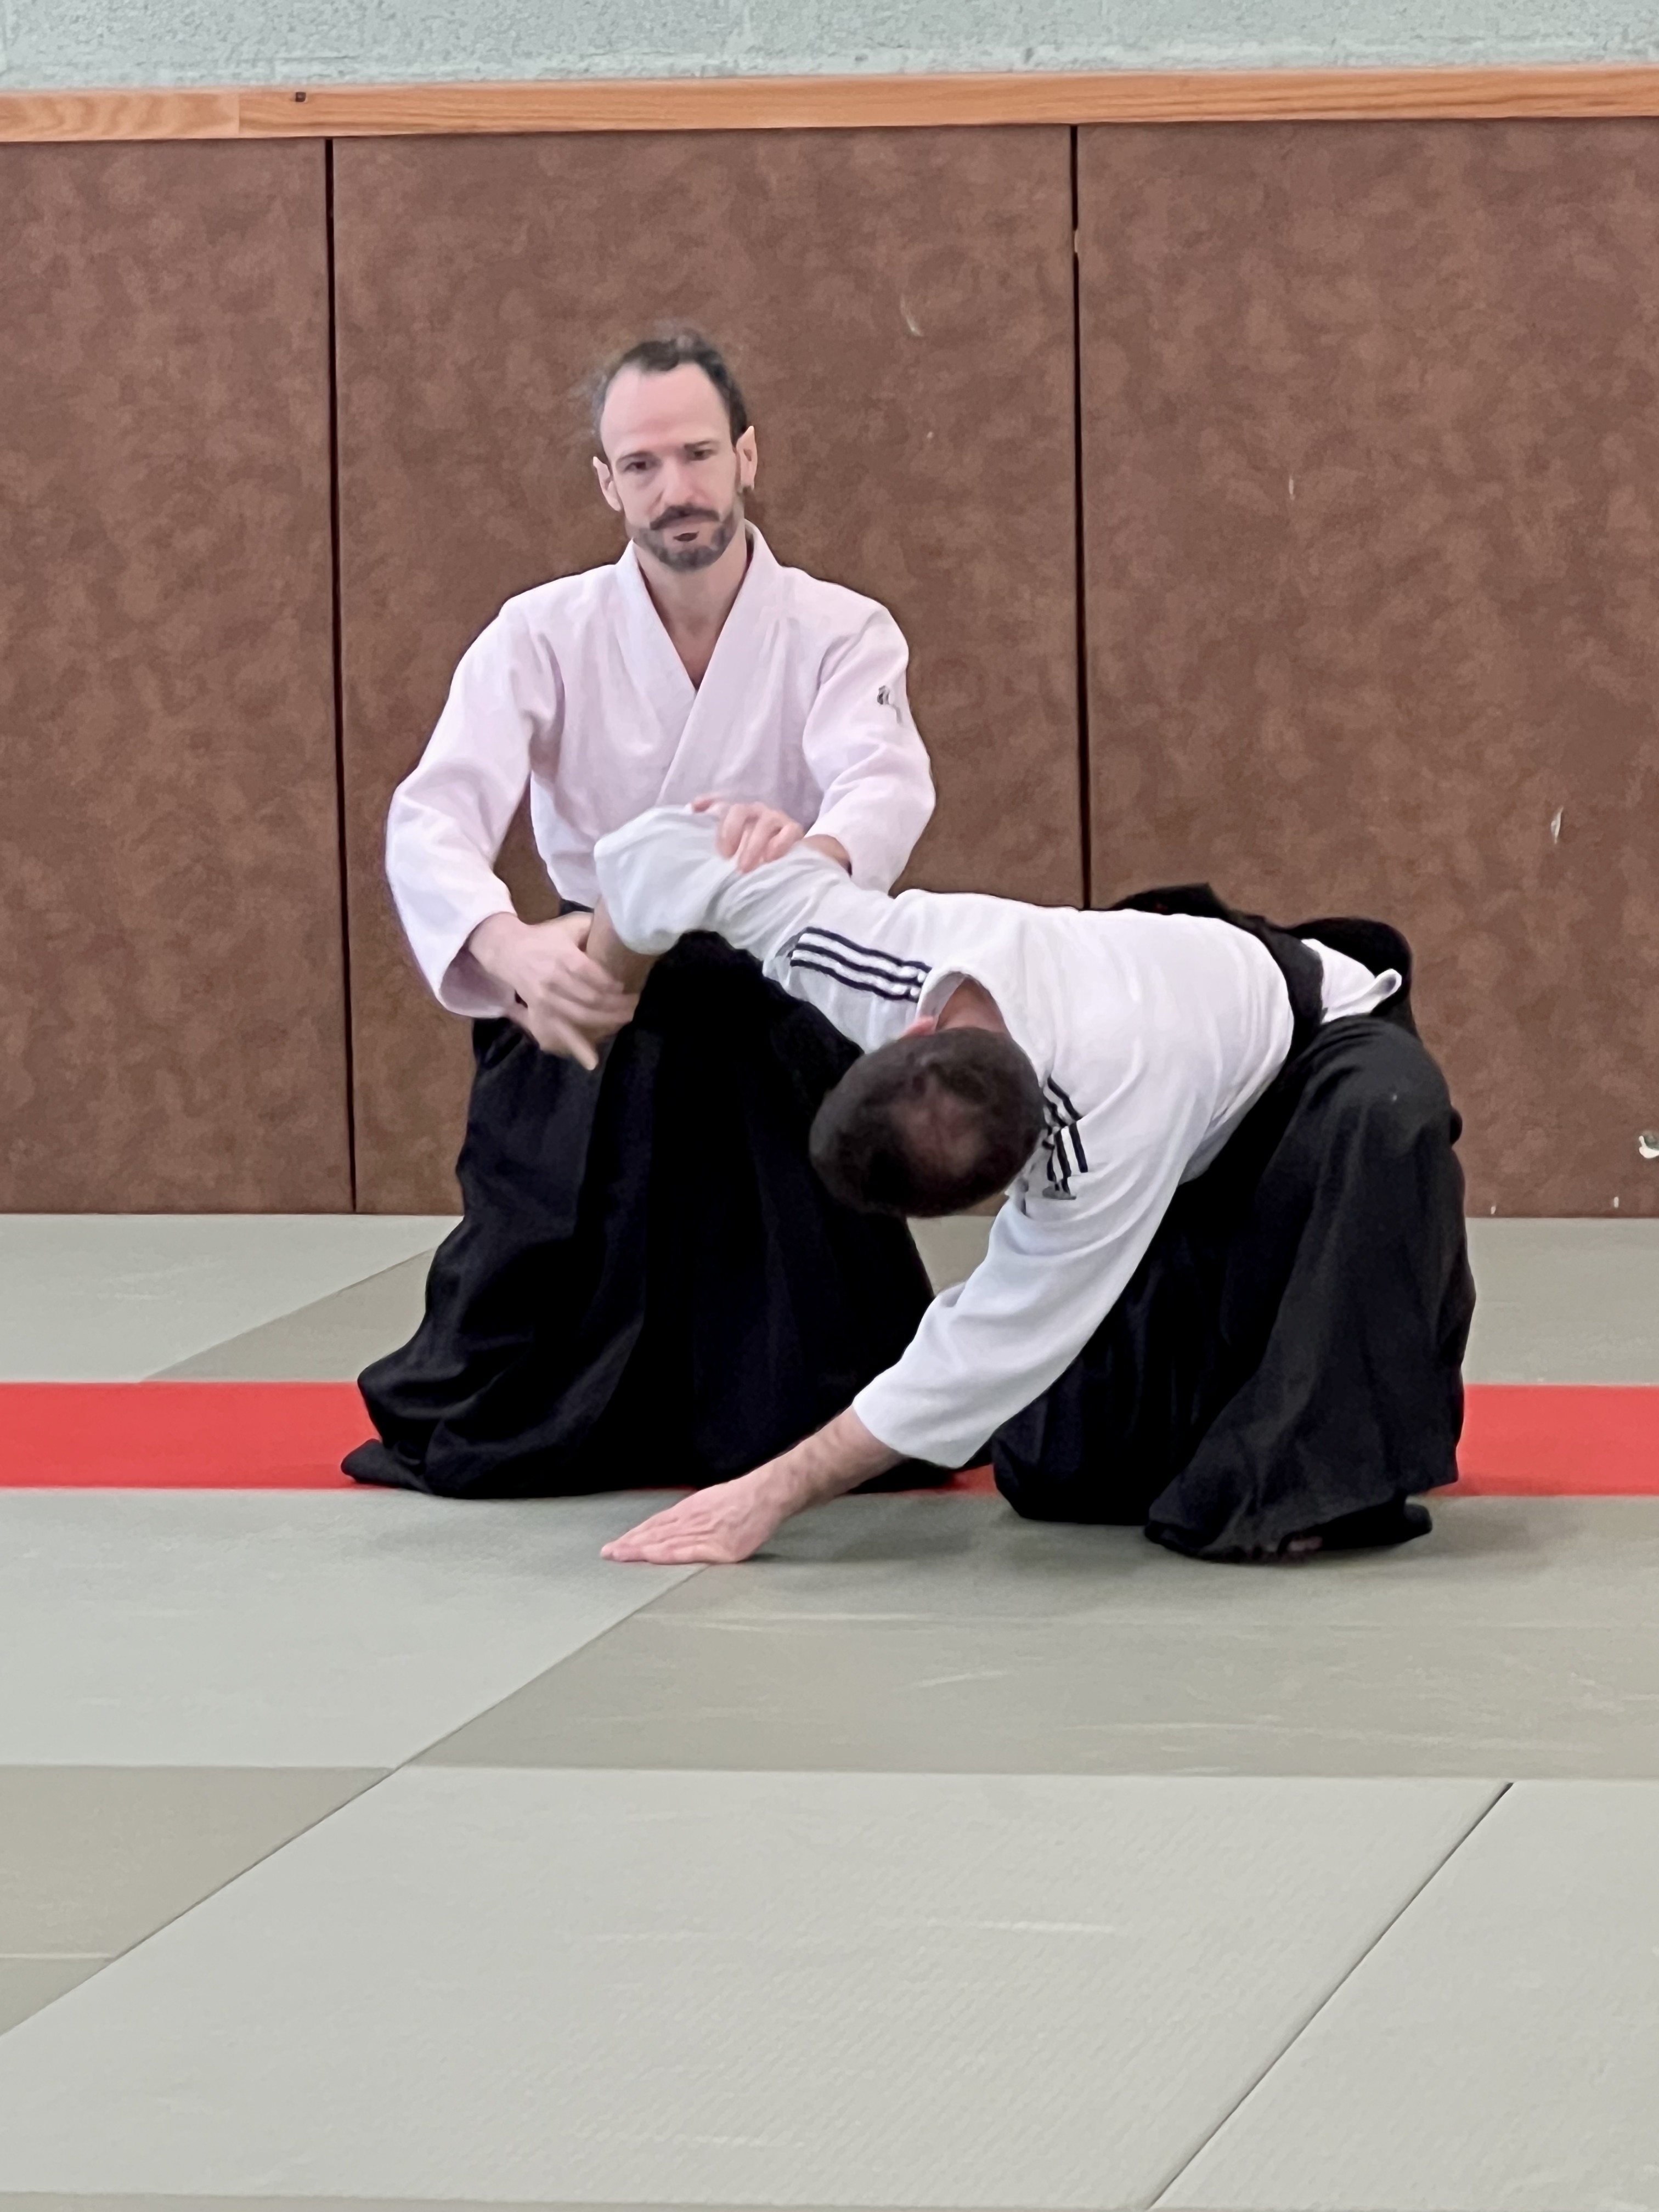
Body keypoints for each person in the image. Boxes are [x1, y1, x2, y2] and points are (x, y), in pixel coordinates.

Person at [345, 331, 938, 1499]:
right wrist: (508, 946)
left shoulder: (841, 628)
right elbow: (435, 812)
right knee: (500, 1398)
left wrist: (807, 859)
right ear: (607, 483)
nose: (678, 489)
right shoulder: (540, 632)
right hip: (596, 989)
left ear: (748, 456)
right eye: (644, 465)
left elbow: (881, 784)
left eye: (699, 455)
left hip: (773, 990)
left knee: (819, 1375)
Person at [583, 803, 1476, 1565]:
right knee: (1061, 1469)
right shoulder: (864, 950)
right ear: (912, 1030)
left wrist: (767, 1494)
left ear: (1027, 1164)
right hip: (1179, 1053)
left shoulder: (1103, 1140)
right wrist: (605, 989)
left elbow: (982, 1350)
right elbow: (661, 858)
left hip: (1312, 1068)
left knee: (1386, 1112)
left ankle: (1332, 1468)